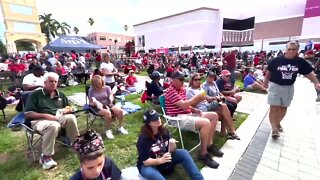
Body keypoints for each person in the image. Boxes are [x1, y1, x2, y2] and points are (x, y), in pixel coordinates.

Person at [165, 71, 222, 169]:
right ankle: (203, 154)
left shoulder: (181, 89)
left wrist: (194, 109)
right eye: (181, 79)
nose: (183, 82)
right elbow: (183, 105)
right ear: (173, 80)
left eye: (184, 79)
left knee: (214, 116)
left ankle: (209, 144)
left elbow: (186, 104)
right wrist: (196, 98)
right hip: (177, 117)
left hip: (187, 114)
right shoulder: (171, 91)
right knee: (206, 123)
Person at [263, 41, 320, 138]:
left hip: (288, 87)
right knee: (274, 107)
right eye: (289, 49)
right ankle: (274, 129)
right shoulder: (276, 60)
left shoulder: (299, 62)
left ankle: (277, 122)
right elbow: (269, 72)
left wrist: (316, 82)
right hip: (275, 86)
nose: (290, 51)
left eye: (293, 50)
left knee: (283, 107)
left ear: (297, 51)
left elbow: (308, 73)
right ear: (286, 49)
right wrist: (265, 82)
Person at [24, 72, 79, 170]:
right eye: (51, 81)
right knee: (53, 125)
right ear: (45, 83)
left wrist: (68, 110)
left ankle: (76, 144)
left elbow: (68, 107)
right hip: (39, 120)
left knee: (71, 118)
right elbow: (28, 114)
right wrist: (47, 116)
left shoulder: (60, 94)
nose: (54, 83)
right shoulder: (35, 95)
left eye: (55, 81)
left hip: (58, 117)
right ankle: (45, 156)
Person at [136, 109, 204, 180]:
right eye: (154, 119)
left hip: (165, 158)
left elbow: (171, 150)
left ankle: (199, 178)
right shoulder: (143, 139)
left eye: (158, 117)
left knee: (183, 153)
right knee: (150, 172)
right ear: (149, 123)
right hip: (150, 164)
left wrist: (172, 144)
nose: (158, 120)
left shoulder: (164, 131)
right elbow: (146, 161)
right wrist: (160, 160)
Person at [187, 73, 240, 140]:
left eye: (199, 79)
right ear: (192, 81)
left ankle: (231, 131)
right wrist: (199, 99)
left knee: (223, 106)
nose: (198, 81)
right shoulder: (189, 91)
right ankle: (227, 132)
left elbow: (207, 98)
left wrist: (215, 98)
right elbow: (191, 105)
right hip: (201, 109)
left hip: (207, 105)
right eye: (196, 80)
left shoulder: (200, 89)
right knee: (224, 109)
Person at [88, 75, 128, 139]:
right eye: (95, 84)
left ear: (102, 82)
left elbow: (110, 96)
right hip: (97, 107)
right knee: (107, 113)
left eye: (99, 84)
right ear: (93, 84)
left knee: (120, 111)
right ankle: (108, 130)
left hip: (108, 104)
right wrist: (95, 103)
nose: (97, 86)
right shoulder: (91, 90)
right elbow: (90, 103)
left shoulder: (107, 88)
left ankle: (120, 127)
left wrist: (110, 98)